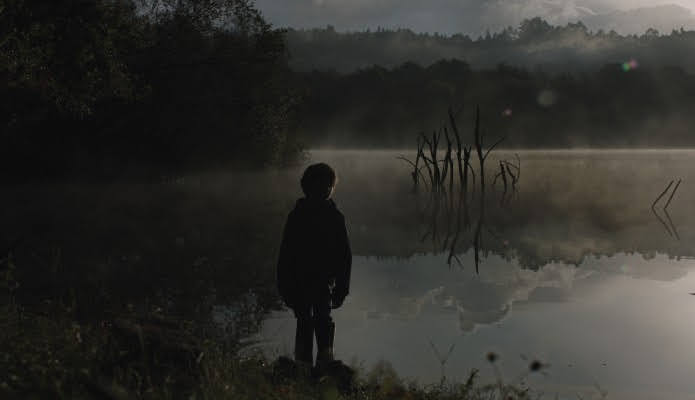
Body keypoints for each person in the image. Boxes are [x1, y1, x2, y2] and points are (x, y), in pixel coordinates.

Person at [277, 163, 352, 371]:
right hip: (299, 280)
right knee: (305, 318)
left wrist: (342, 287)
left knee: (322, 318)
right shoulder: (297, 216)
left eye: (328, 185)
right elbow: (285, 254)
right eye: (319, 185)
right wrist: (284, 284)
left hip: (322, 282)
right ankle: (304, 363)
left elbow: (344, 256)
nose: (324, 189)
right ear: (307, 187)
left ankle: (324, 360)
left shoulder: (335, 217)